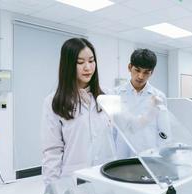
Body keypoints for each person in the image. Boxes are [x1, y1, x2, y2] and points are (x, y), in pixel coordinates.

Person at [41, 38, 115, 185]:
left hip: (107, 175)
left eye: (91, 61)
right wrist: (52, 190)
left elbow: (122, 132)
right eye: (80, 62)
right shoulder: (54, 102)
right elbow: (52, 151)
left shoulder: (107, 96)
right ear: (68, 65)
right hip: (74, 179)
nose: (88, 67)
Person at [113, 48, 168, 158]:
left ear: (152, 72)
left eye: (146, 72)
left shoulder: (159, 97)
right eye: (137, 70)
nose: (141, 76)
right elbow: (113, 130)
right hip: (121, 155)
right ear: (130, 67)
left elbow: (163, 131)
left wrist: (162, 157)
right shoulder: (115, 94)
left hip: (148, 155)